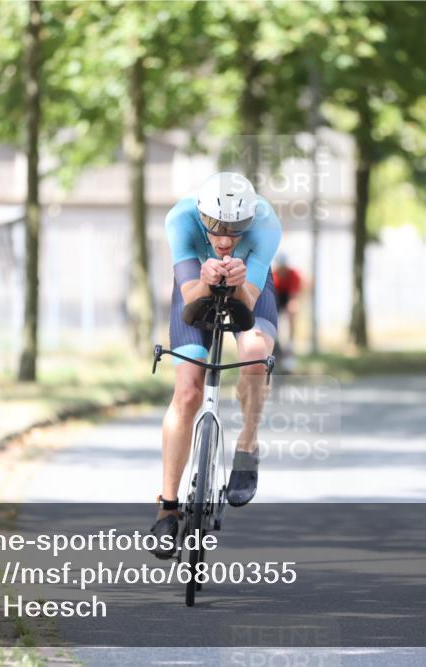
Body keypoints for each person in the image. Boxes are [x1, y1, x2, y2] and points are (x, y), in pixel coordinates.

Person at [150, 172, 282, 558]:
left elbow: (248, 302)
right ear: (202, 215)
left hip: (249, 284)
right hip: (196, 283)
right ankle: (167, 506)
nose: (225, 239)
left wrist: (238, 281)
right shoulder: (181, 218)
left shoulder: (267, 224)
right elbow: (191, 298)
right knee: (188, 390)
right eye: (216, 228)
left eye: (236, 229)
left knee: (256, 350)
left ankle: (247, 443)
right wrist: (207, 279)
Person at [272, 254, 303, 362]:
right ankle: (275, 342)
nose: (281, 271)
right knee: (272, 315)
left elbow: (293, 296)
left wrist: (292, 306)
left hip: (287, 297)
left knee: (293, 310)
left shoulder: (294, 275)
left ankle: (291, 343)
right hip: (276, 297)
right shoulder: (273, 275)